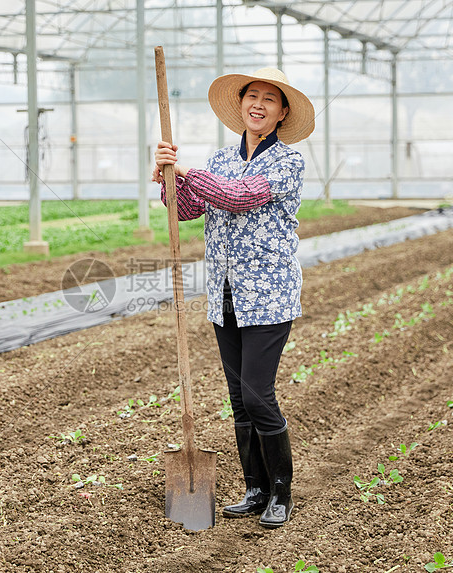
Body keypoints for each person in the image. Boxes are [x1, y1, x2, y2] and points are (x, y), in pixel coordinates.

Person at [152, 68, 314, 529]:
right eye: (252, 96)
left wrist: (186, 171)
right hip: (225, 294)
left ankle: (281, 492)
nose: (258, 104)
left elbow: (239, 197)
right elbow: (186, 209)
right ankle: (255, 489)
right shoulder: (220, 159)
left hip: (268, 296)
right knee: (239, 400)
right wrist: (166, 177)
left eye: (269, 99)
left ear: (282, 113)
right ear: (240, 104)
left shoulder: (288, 162)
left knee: (258, 395)